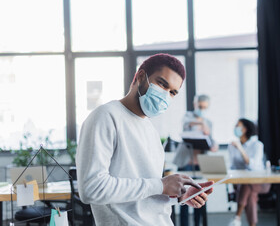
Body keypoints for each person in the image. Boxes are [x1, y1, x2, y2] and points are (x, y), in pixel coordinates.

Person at [76, 53, 214, 226]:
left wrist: (178, 195)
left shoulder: (150, 130)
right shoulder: (106, 116)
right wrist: (161, 185)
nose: (165, 95)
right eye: (162, 84)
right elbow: (92, 189)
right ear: (141, 76)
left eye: (172, 92)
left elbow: (146, 193)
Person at [173, 94, 219, 226]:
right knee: (183, 196)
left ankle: (199, 223)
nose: (202, 109)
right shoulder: (187, 117)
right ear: (195, 104)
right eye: (200, 106)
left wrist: (213, 145)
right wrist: (200, 122)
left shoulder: (209, 123)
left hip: (201, 164)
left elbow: (211, 140)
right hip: (186, 163)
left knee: (200, 195)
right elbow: (185, 127)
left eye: (205, 107)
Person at [228, 118, 270, 226]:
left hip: (260, 182)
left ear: (245, 129)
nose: (235, 128)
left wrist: (240, 149)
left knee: (247, 182)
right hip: (242, 184)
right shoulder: (232, 146)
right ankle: (248, 223)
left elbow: (252, 166)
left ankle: (237, 217)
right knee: (250, 194)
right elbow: (233, 167)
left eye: (238, 126)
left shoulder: (257, 145)